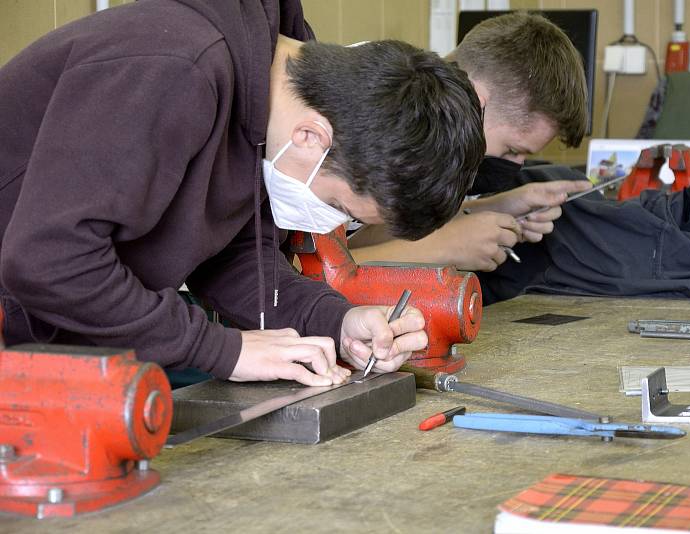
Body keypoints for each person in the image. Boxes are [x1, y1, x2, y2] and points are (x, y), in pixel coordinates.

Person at [0, 1, 485, 385]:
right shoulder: (173, 70)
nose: (326, 220)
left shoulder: (278, 98)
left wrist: (336, 322)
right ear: (312, 137)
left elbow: (232, 255)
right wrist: (221, 350)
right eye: (337, 205)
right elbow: (49, 260)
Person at [349, 12, 592, 274]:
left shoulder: (420, 124)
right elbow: (302, 277)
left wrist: (488, 209)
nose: (515, 165)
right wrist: (441, 248)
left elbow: (352, 237)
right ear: (476, 101)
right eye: (512, 150)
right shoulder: (361, 110)